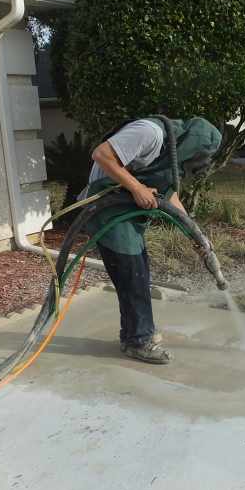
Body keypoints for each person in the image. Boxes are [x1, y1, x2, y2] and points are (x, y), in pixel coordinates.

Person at [81, 117, 221, 365]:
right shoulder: (151, 134)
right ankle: (138, 341)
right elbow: (101, 154)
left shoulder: (173, 149)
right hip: (106, 204)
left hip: (122, 205)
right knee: (132, 274)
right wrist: (137, 188)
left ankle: (134, 333)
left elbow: (170, 195)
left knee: (137, 273)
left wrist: (195, 235)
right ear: (192, 144)